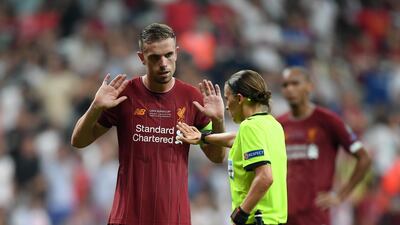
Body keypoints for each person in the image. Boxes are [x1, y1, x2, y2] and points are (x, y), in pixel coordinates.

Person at [70, 23, 226, 225]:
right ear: (141, 58)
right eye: (154, 57)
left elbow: (217, 156)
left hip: (173, 218)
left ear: (177, 53)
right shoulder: (125, 94)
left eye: (168, 55)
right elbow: (78, 141)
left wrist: (218, 120)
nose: (163, 63)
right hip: (127, 217)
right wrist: (96, 106)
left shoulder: (191, 98)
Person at [176, 70, 287, 225]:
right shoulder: (272, 124)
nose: (227, 107)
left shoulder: (249, 128)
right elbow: (236, 139)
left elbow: (265, 177)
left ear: (240, 99)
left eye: (227, 99)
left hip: (256, 220)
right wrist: (203, 137)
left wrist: (240, 214)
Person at [277, 66, 371, 225]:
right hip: (283, 216)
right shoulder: (278, 124)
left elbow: (364, 158)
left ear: (309, 86)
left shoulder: (328, 120)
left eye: (295, 83)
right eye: (285, 85)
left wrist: (341, 195)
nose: (290, 89)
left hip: (315, 217)